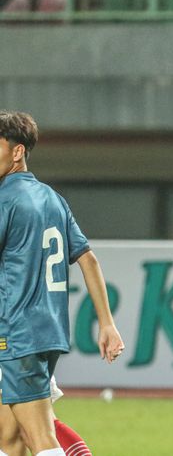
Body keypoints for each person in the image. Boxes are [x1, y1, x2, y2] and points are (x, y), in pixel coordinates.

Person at [0, 111, 125, 456]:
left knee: (41, 438)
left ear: (17, 152)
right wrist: (108, 324)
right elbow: (88, 259)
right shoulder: (53, 199)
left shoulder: (6, 200)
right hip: (48, 331)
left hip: (15, 333)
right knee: (8, 439)